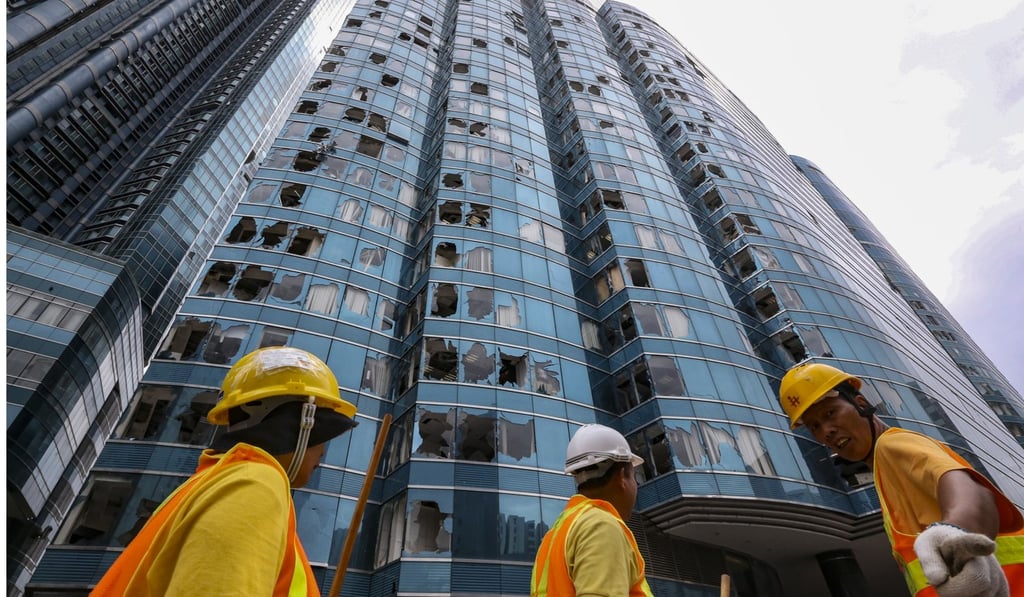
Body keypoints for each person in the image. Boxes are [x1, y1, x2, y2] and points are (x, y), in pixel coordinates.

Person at [91, 346, 358, 596]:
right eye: (323, 433)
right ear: (303, 422)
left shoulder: (214, 484)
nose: (323, 451)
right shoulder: (252, 485)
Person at [779, 361, 1024, 596]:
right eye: (815, 427)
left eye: (831, 413)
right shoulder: (884, 470)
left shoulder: (891, 444)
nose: (826, 431)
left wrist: (954, 532)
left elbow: (972, 491)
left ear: (861, 404)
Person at [531, 423, 655, 596]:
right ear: (621, 478)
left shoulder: (557, 534)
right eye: (634, 477)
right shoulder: (601, 526)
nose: (636, 486)